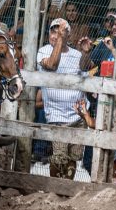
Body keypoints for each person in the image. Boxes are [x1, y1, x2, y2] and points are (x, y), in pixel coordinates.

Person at [37, 18, 89, 180]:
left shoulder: (76, 54)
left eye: (60, 31)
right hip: (57, 116)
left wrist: (86, 53)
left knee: (73, 157)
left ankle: (66, 187)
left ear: (69, 35)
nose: (55, 34)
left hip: (78, 115)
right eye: (53, 30)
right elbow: (52, 65)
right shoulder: (43, 51)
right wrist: (60, 39)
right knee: (59, 157)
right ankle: (55, 187)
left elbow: (85, 70)